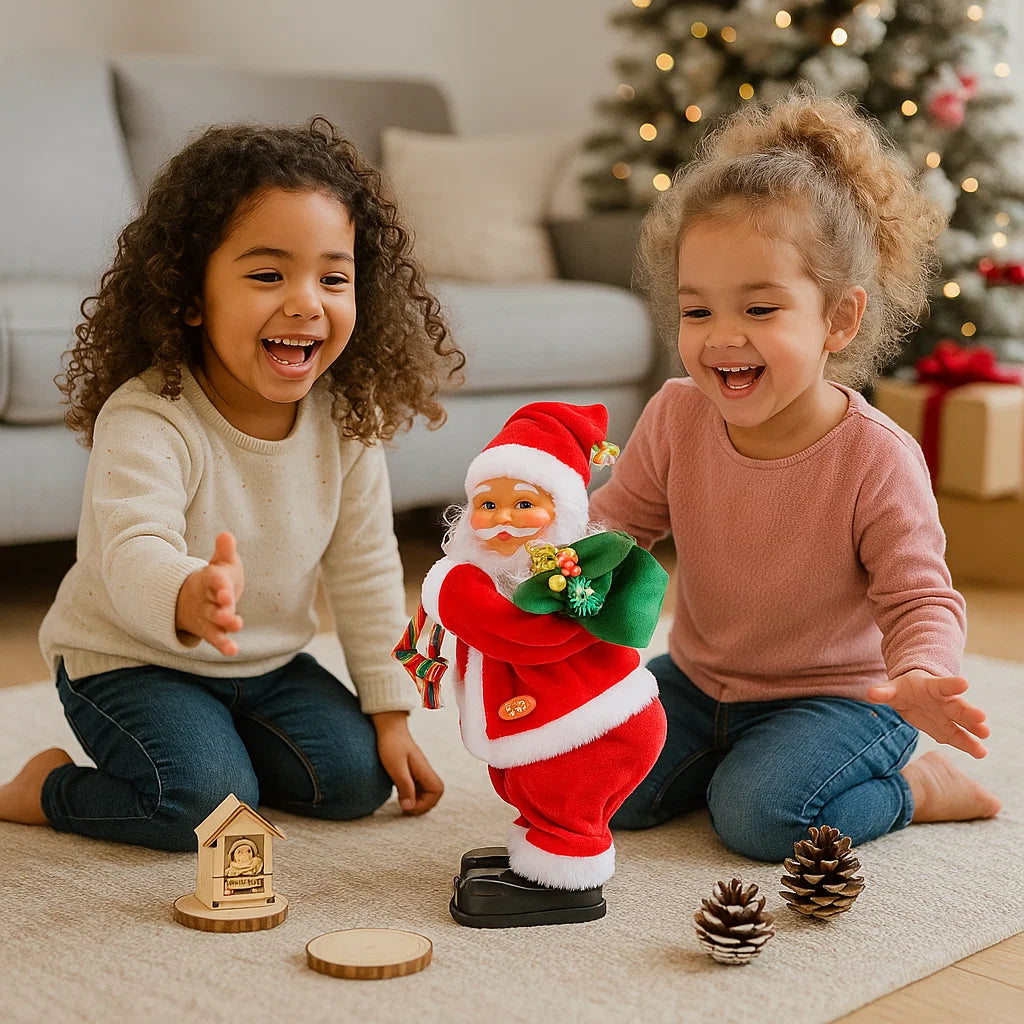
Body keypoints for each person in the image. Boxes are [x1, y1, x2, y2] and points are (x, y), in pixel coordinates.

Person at [0, 119, 464, 851]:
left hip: (266, 667)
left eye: (333, 278)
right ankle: (45, 790)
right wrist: (187, 594)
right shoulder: (150, 416)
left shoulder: (345, 423)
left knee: (355, 782)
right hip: (130, 660)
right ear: (190, 296)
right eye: (268, 275)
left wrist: (391, 713)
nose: (307, 302)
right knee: (202, 807)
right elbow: (131, 549)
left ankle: (220, 748)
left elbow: (368, 570)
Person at [589, 91, 1001, 863]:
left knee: (756, 819)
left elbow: (919, 596)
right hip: (699, 680)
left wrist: (921, 673)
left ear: (838, 320)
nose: (723, 337)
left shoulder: (875, 456)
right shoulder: (676, 414)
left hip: (847, 700)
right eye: (698, 312)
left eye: (760, 309)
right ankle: (723, 761)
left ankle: (915, 790)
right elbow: (619, 524)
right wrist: (542, 566)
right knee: (592, 785)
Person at [413, 402, 668, 927]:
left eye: (524, 503)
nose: (502, 518)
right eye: (487, 504)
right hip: (564, 720)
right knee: (523, 782)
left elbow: (516, 632)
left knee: (561, 791)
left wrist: (451, 587)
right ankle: (539, 848)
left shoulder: (562, 583)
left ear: (562, 514)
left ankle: (566, 873)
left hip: (594, 728)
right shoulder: (504, 571)